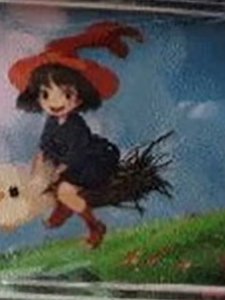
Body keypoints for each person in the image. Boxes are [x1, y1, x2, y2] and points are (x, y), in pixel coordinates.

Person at [9, 21, 141, 248]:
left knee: (65, 190)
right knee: (45, 182)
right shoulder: (52, 122)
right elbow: (46, 145)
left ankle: (94, 226)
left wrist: (58, 170)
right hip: (67, 165)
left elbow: (77, 154)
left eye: (66, 94)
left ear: (79, 97)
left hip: (90, 163)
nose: (55, 102)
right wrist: (40, 164)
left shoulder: (75, 125)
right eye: (46, 94)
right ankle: (62, 206)